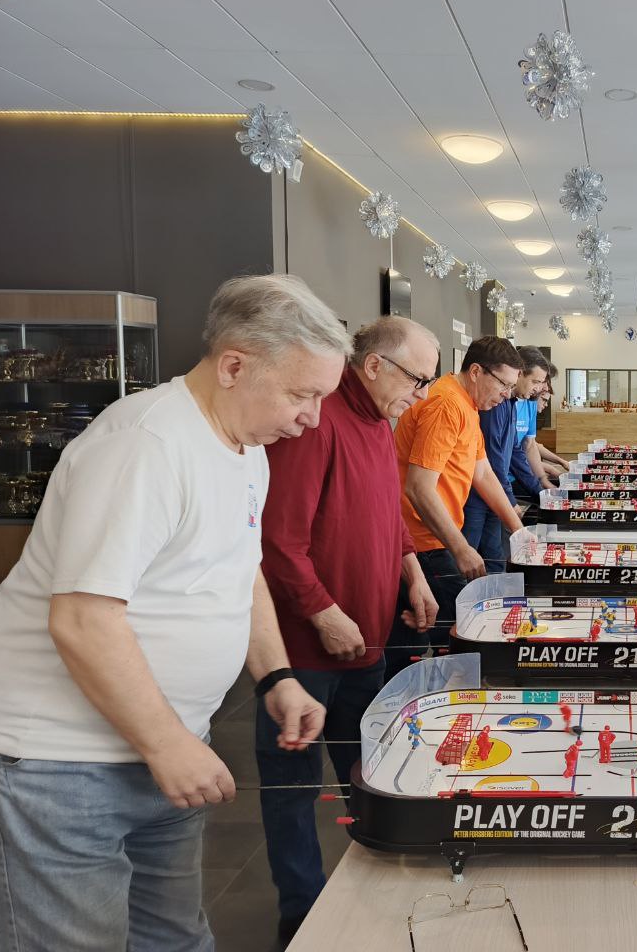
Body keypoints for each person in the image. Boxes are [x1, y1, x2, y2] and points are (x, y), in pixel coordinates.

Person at [0, 274, 345, 951]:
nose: (312, 417)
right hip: (64, 765)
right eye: (301, 394)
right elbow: (83, 620)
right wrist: (165, 743)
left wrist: (275, 676)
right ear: (234, 366)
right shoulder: (145, 444)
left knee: (174, 939)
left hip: (166, 747)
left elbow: (239, 571)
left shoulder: (247, 449)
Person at [255, 315, 441, 945]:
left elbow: (389, 516)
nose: (420, 395)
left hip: (368, 642)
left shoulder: (379, 422)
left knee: (371, 776)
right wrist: (323, 612)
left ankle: (377, 901)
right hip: (305, 654)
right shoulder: (317, 421)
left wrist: (413, 575)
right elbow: (279, 541)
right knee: (293, 791)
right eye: (416, 379)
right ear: (375, 365)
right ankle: (302, 917)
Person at [390, 336, 525, 670]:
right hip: (423, 541)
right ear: (476, 371)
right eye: (504, 384)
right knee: (458, 637)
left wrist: (519, 532)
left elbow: (483, 473)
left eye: (511, 387)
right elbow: (419, 489)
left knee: (437, 629)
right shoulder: (445, 404)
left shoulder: (467, 405)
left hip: (440, 536)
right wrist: (461, 548)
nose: (507, 395)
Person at [464, 346, 549, 570]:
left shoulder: (510, 404)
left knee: (495, 558)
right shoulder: (494, 405)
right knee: (468, 560)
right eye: (535, 381)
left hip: (494, 492)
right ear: (520, 374)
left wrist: (539, 492)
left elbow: (515, 452)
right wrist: (510, 500)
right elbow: (493, 460)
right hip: (476, 496)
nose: (538, 388)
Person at [508, 348, 557, 523]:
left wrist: (542, 479)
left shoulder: (529, 402)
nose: (545, 387)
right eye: (541, 382)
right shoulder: (506, 401)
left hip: (518, 474)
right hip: (505, 479)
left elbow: (528, 446)